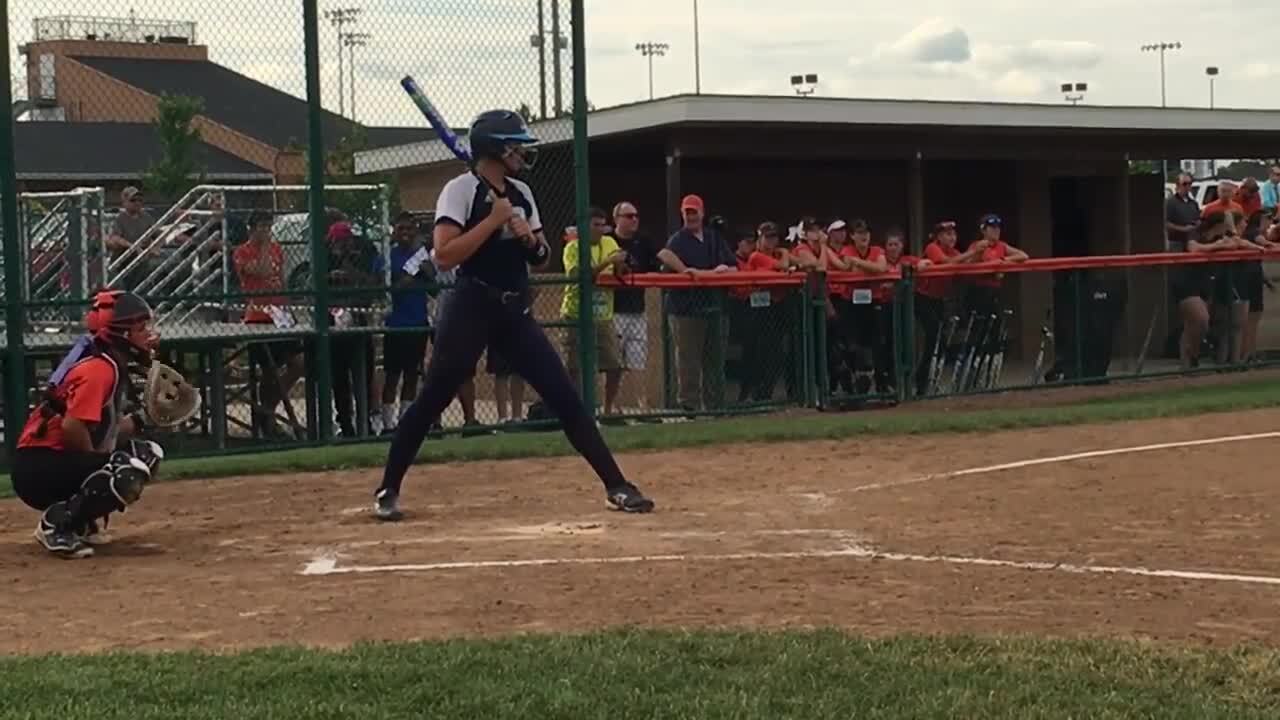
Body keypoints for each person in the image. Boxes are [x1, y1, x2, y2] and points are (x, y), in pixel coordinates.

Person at [373, 109, 654, 520]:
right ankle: (388, 488)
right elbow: (445, 254)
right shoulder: (460, 190)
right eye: (516, 146)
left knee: (564, 396)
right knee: (435, 395)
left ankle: (617, 485)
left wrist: (526, 239)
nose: (523, 153)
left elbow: (541, 257)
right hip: (469, 303)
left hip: (512, 309)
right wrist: (492, 222)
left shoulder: (520, 192)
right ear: (497, 149)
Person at [11, 290, 165, 557]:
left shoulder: (111, 364)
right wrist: (99, 466)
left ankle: (79, 522)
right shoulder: (100, 370)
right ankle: (58, 525)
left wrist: (145, 419)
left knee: (146, 454)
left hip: (51, 461)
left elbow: (108, 432)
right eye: (141, 329)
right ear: (123, 336)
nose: (149, 335)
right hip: (38, 466)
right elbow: (72, 429)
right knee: (123, 469)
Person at [656, 194, 736, 412]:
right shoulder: (678, 239)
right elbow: (664, 254)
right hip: (685, 309)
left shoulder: (714, 237)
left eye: (694, 212)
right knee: (688, 361)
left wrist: (710, 273)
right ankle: (689, 406)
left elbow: (733, 266)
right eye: (687, 212)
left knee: (714, 361)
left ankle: (715, 406)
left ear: (702, 213)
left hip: (714, 308)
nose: (691, 216)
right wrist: (687, 271)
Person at [233, 211, 304, 439]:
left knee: (299, 363)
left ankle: (269, 407)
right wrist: (262, 245)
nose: (266, 231)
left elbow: (279, 279)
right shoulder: (242, 252)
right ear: (252, 228)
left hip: (278, 314)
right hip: (258, 316)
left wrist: (288, 308)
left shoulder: (277, 249)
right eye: (261, 227)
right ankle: (267, 418)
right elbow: (261, 271)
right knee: (268, 371)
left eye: (268, 226)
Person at [561, 209, 626, 416]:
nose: (600, 230)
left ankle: (607, 410)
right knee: (575, 367)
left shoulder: (610, 243)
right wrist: (606, 262)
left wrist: (620, 265)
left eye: (602, 225)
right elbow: (578, 275)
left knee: (614, 365)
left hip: (603, 315)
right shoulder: (573, 247)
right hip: (575, 315)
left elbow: (621, 275)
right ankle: (578, 410)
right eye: (595, 225)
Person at [381, 211, 435, 435]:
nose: (406, 233)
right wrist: (411, 276)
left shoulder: (422, 256)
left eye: (410, 229)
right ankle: (387, 424)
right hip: (395, 324)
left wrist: (427, 273)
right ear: (394, 230)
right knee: (392, 375)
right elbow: (389, 288)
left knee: (412, 374)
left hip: (417, 323)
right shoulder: (387, 257)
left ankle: (406, 420)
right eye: (401, 228)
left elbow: (434, 290)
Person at [610, 201, 659, 407]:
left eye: (636, 216)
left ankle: (642, 406)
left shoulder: (643, 241)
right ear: (617, 220)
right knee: (612, 363)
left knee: (637, 362)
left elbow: (655, 266)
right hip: (612, 311)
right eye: (628, 216)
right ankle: (611, 406)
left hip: (637, 310)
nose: (634, 220)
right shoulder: (608, 241)